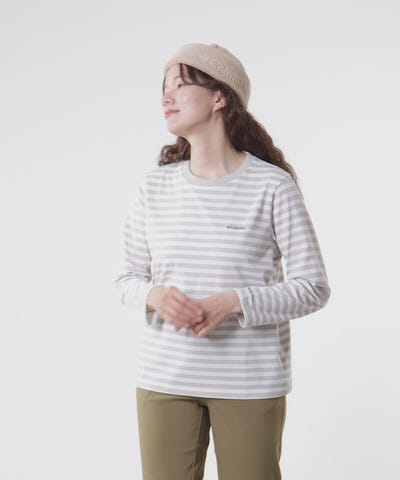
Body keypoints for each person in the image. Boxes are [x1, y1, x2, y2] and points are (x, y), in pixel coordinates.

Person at [115, 43, 331, 480]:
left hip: (249, 381)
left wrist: (233, 302)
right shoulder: (154, 186)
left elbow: (313, 287)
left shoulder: (272, 186)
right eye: (164, 87)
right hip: (165, 378)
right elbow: (127, 279)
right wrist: (155, 295)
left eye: (181, 84)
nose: (167, 96)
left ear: (220, 97)